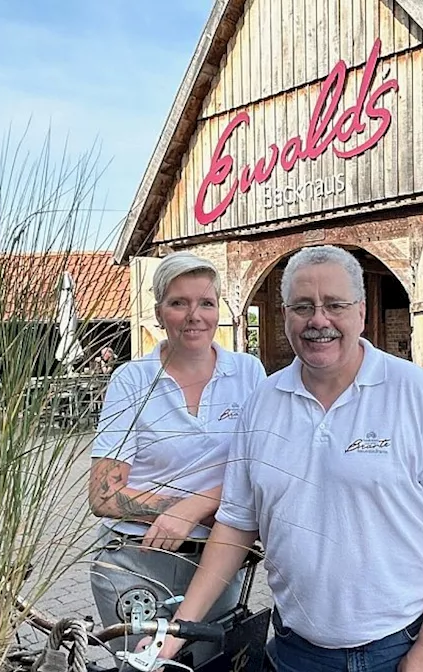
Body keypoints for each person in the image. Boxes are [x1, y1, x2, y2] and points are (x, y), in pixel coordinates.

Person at [150, 245, 423, 672]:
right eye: (303, 307)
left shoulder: (417, 396)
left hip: (397, 651)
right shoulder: (261, 403)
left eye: (334, 305)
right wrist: (180, 626)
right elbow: (237, 523)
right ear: (286, 314)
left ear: (361, 313)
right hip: (295, 650)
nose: (318, 321)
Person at [88, 251, 266, 666]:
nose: (194, 315)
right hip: (134, 556)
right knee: (143, 666)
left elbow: (260, 470)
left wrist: (194, 507)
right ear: (158, 312)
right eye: (178, 302)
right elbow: (103, 495)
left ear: (219, 309)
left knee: (209, 664)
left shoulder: (248, 373)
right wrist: (187, 510)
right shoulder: (132, 379)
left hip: (215, 557)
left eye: (206, 303)